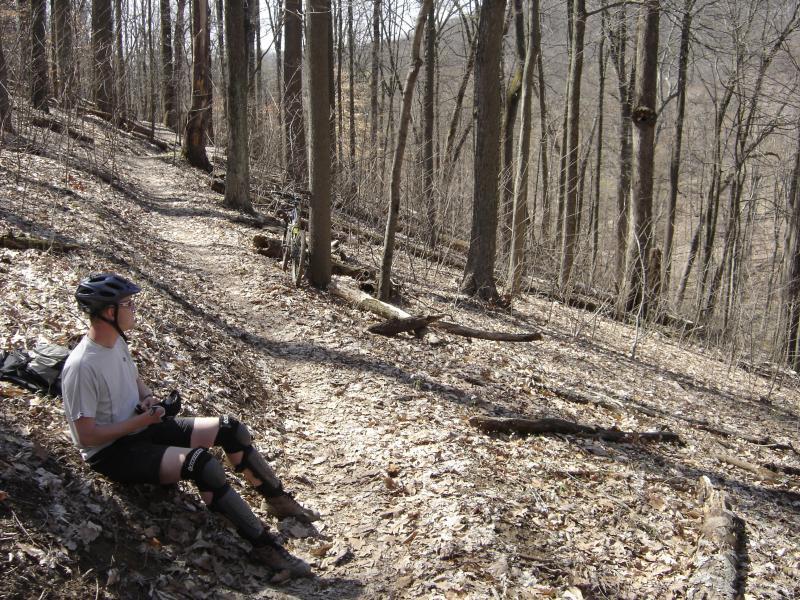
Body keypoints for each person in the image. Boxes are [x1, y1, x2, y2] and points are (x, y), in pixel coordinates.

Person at [61, 273, 317, 581]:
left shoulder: (115, 342)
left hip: (142, 427)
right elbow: (85, 436)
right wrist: (141, 420)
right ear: (108, 312)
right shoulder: (81, 366)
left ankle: (278, 500)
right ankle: (265, 547)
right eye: (127, 303)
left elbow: (134, 380)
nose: (134, 309)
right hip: (113, 452)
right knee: (202, 464)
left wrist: (150, 400)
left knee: (230, 428)